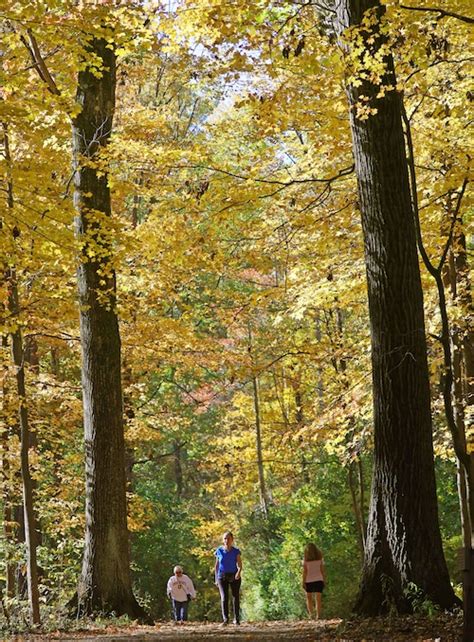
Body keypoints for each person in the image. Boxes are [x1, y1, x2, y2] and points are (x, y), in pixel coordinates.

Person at [214, 531, 242, 625]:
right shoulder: (219, 551)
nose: (227, 540)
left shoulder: (236, 551)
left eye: (228, 538)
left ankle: (236, 619)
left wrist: (239, 572)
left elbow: (239, 563)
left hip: (234, 575)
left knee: (235, 597)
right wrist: (216, 578)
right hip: (222, 576)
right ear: (223, 540)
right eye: (225, 538)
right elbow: (217, 566)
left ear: (232, 540)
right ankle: (225, 619)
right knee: (224, 597)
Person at [302, 542, 325, 619]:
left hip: (309, 581)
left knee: (309, 598)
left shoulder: (305, 561)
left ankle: (311, 614)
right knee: (318, 599)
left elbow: (305, 572)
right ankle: (318, 615)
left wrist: (303, 582)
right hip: (319, 580)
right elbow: (322, 570)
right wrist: (324, 580)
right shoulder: (320, 560)